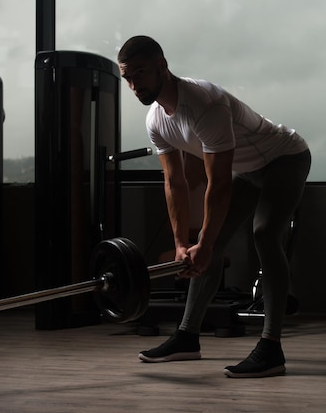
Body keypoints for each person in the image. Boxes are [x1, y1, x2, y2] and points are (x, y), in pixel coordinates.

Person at [117, 36, 311, 378]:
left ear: (162, 65)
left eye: (141, 74)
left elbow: (218, 185)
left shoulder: (204, 103)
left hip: (285, 158)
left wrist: (205, 244)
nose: (134, 85)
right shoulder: (156, 121)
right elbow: (174, 183)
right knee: (207, 245)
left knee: (264, 234)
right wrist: (181, 245)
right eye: (127, 78)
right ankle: (187, 336)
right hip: (249, 171)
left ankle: (271, 347)